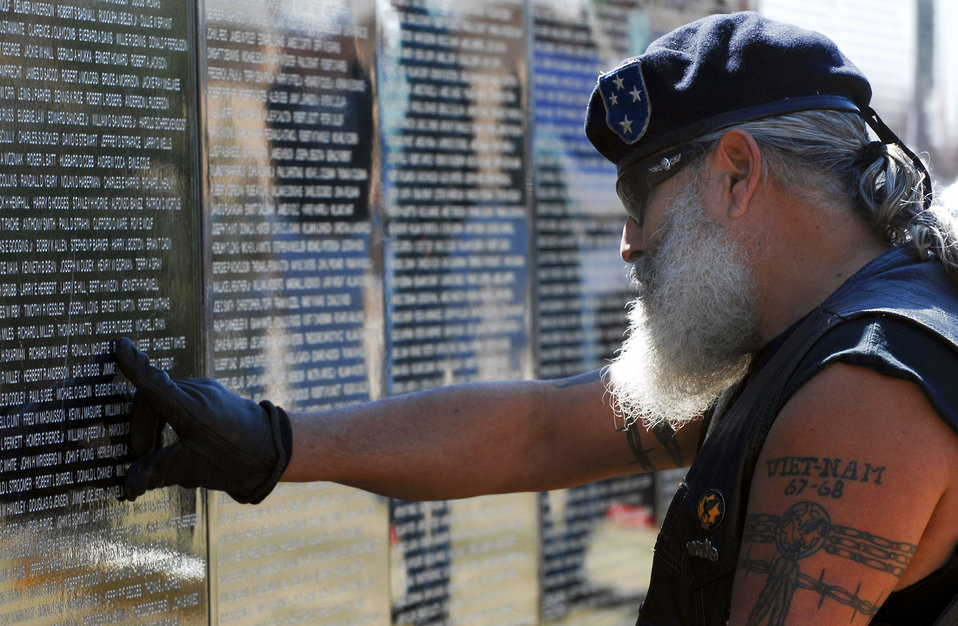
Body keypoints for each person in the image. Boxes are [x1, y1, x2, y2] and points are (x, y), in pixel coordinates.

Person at [113, 11, 958, 625]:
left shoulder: (863, 389)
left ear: (737, 175)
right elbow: (541, 433)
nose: (628, 244)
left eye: (642, 199)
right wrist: (276, 443)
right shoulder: (813, 334)